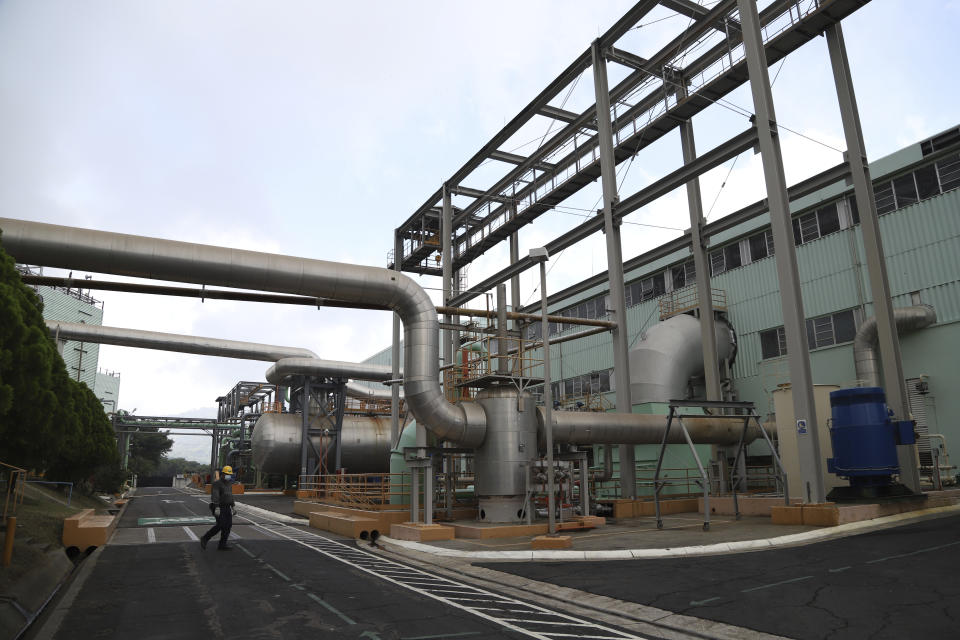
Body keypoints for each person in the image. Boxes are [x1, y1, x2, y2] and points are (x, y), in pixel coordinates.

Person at [200, 465, 236, 551]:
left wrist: (233, 507)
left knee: (228, 526)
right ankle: (205, 538)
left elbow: (230, 496)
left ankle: (222, 545)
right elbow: (215, 496)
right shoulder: (217, 483)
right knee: (221, 525)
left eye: (229, 474)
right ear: (222, 474)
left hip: (227, 507)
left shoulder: (229, 483)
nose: (228, 476)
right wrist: (217, 508)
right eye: (227, 474)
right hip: (218, 507)